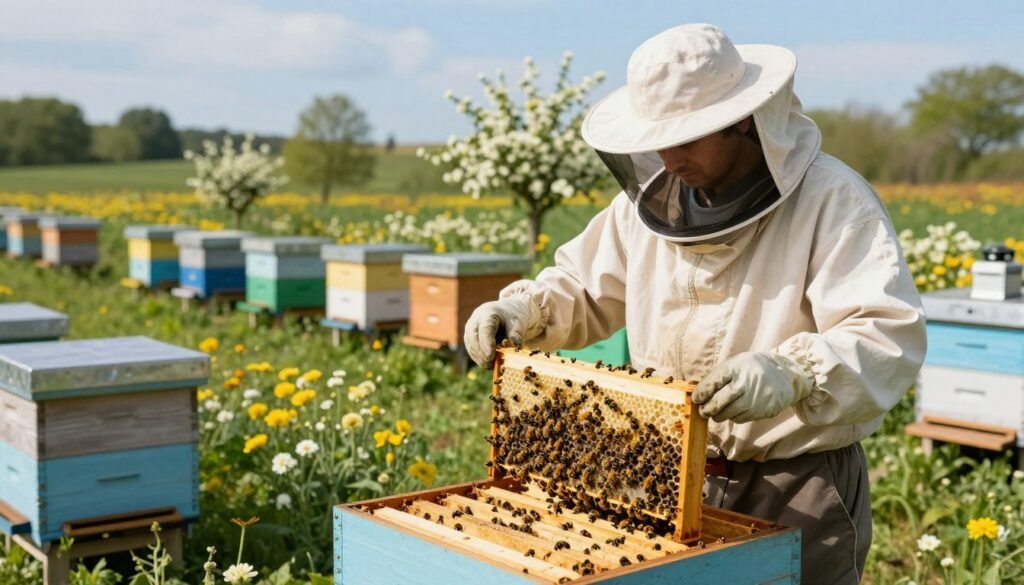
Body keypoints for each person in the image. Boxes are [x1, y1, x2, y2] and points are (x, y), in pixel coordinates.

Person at [464, 23, 926, 584]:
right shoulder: (646, 207)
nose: (668, 156)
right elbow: (584, 287)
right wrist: (525, 310)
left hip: (793, 483)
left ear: (742, 122)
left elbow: (886, 333)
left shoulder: (833, 201)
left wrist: (795, 371)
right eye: (658, 138)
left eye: (687, 138)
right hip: (659, 472)